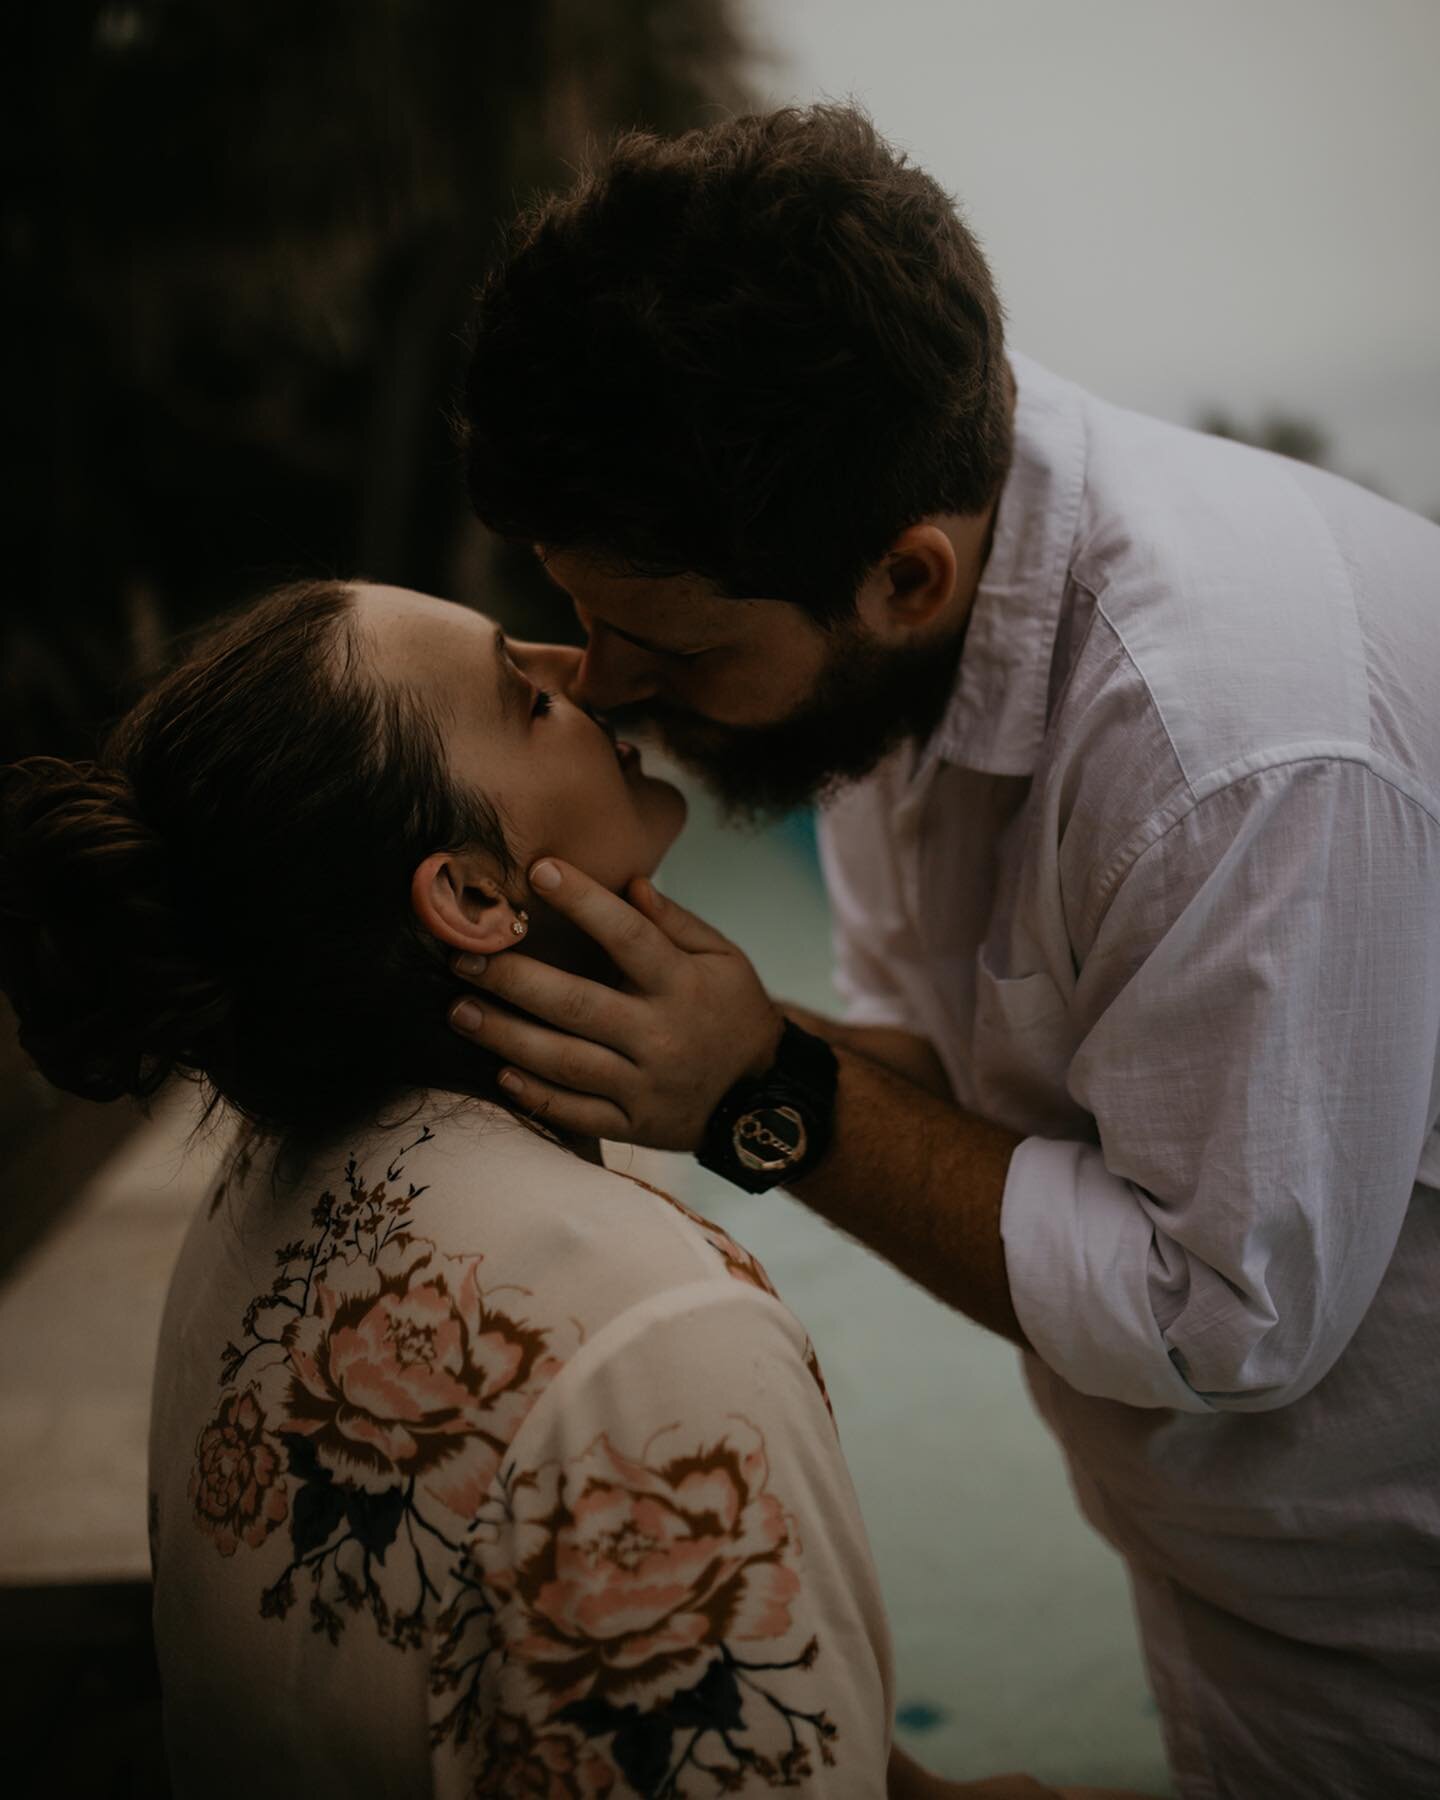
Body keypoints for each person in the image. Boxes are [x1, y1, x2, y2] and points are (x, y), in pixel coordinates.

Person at [450, 106, 1440, 1799]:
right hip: (1241, 1584)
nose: (602, 683)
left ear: (907, 580)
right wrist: (695, 1044)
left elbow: (1223, 1319)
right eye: (582, 617)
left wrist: (760, 1091)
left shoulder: (1230, 753)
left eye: (664, 642)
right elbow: (949, 1067)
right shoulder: (892, 552)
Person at [0, 579, 1141, 1799]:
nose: (582, 671)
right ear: (476, 898)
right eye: (522, 695)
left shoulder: (262, 1194)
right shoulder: (652, 1331)